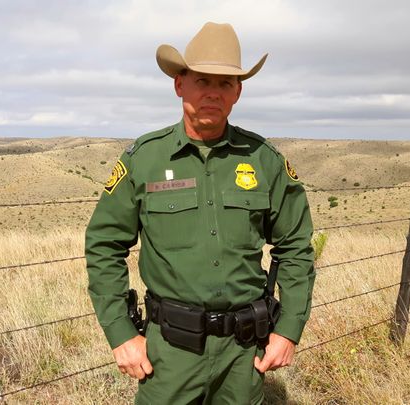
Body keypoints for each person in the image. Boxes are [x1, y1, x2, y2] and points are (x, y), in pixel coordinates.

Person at [85, 22, 315, 404]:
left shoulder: (264, 160)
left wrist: (288, 330)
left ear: (238, 92)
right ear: (180, 84)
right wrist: (121, 334)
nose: (213, 93)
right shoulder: (145, 159)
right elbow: (104, 245)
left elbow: (296, 248)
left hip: (243, 356)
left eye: (226, 84)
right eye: (202, 81)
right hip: (169, 355)